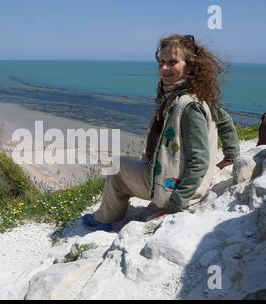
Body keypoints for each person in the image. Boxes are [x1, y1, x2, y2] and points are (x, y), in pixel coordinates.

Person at [83, 34, 240, 232]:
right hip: (179, 181)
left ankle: (103, 218)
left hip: (172, 189)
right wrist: (232, 155)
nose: (164, 68)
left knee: (117, 166)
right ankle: (110, 212)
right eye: (162, 62)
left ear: (190, 66)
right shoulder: (199, 97)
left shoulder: (187, 106)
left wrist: (177, 204)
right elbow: (225, 121)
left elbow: (199, 160)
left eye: (172, 62)